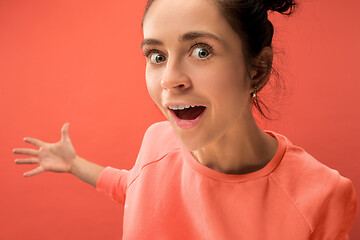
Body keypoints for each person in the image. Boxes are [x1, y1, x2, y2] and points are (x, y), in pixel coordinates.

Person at [13, 0, 357, 239]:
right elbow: (137, 189)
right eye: (157, 55)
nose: (169, 79)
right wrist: (74, 164)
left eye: (201, 51)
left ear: (258, 69)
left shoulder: (320, 197)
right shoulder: (157, 142)